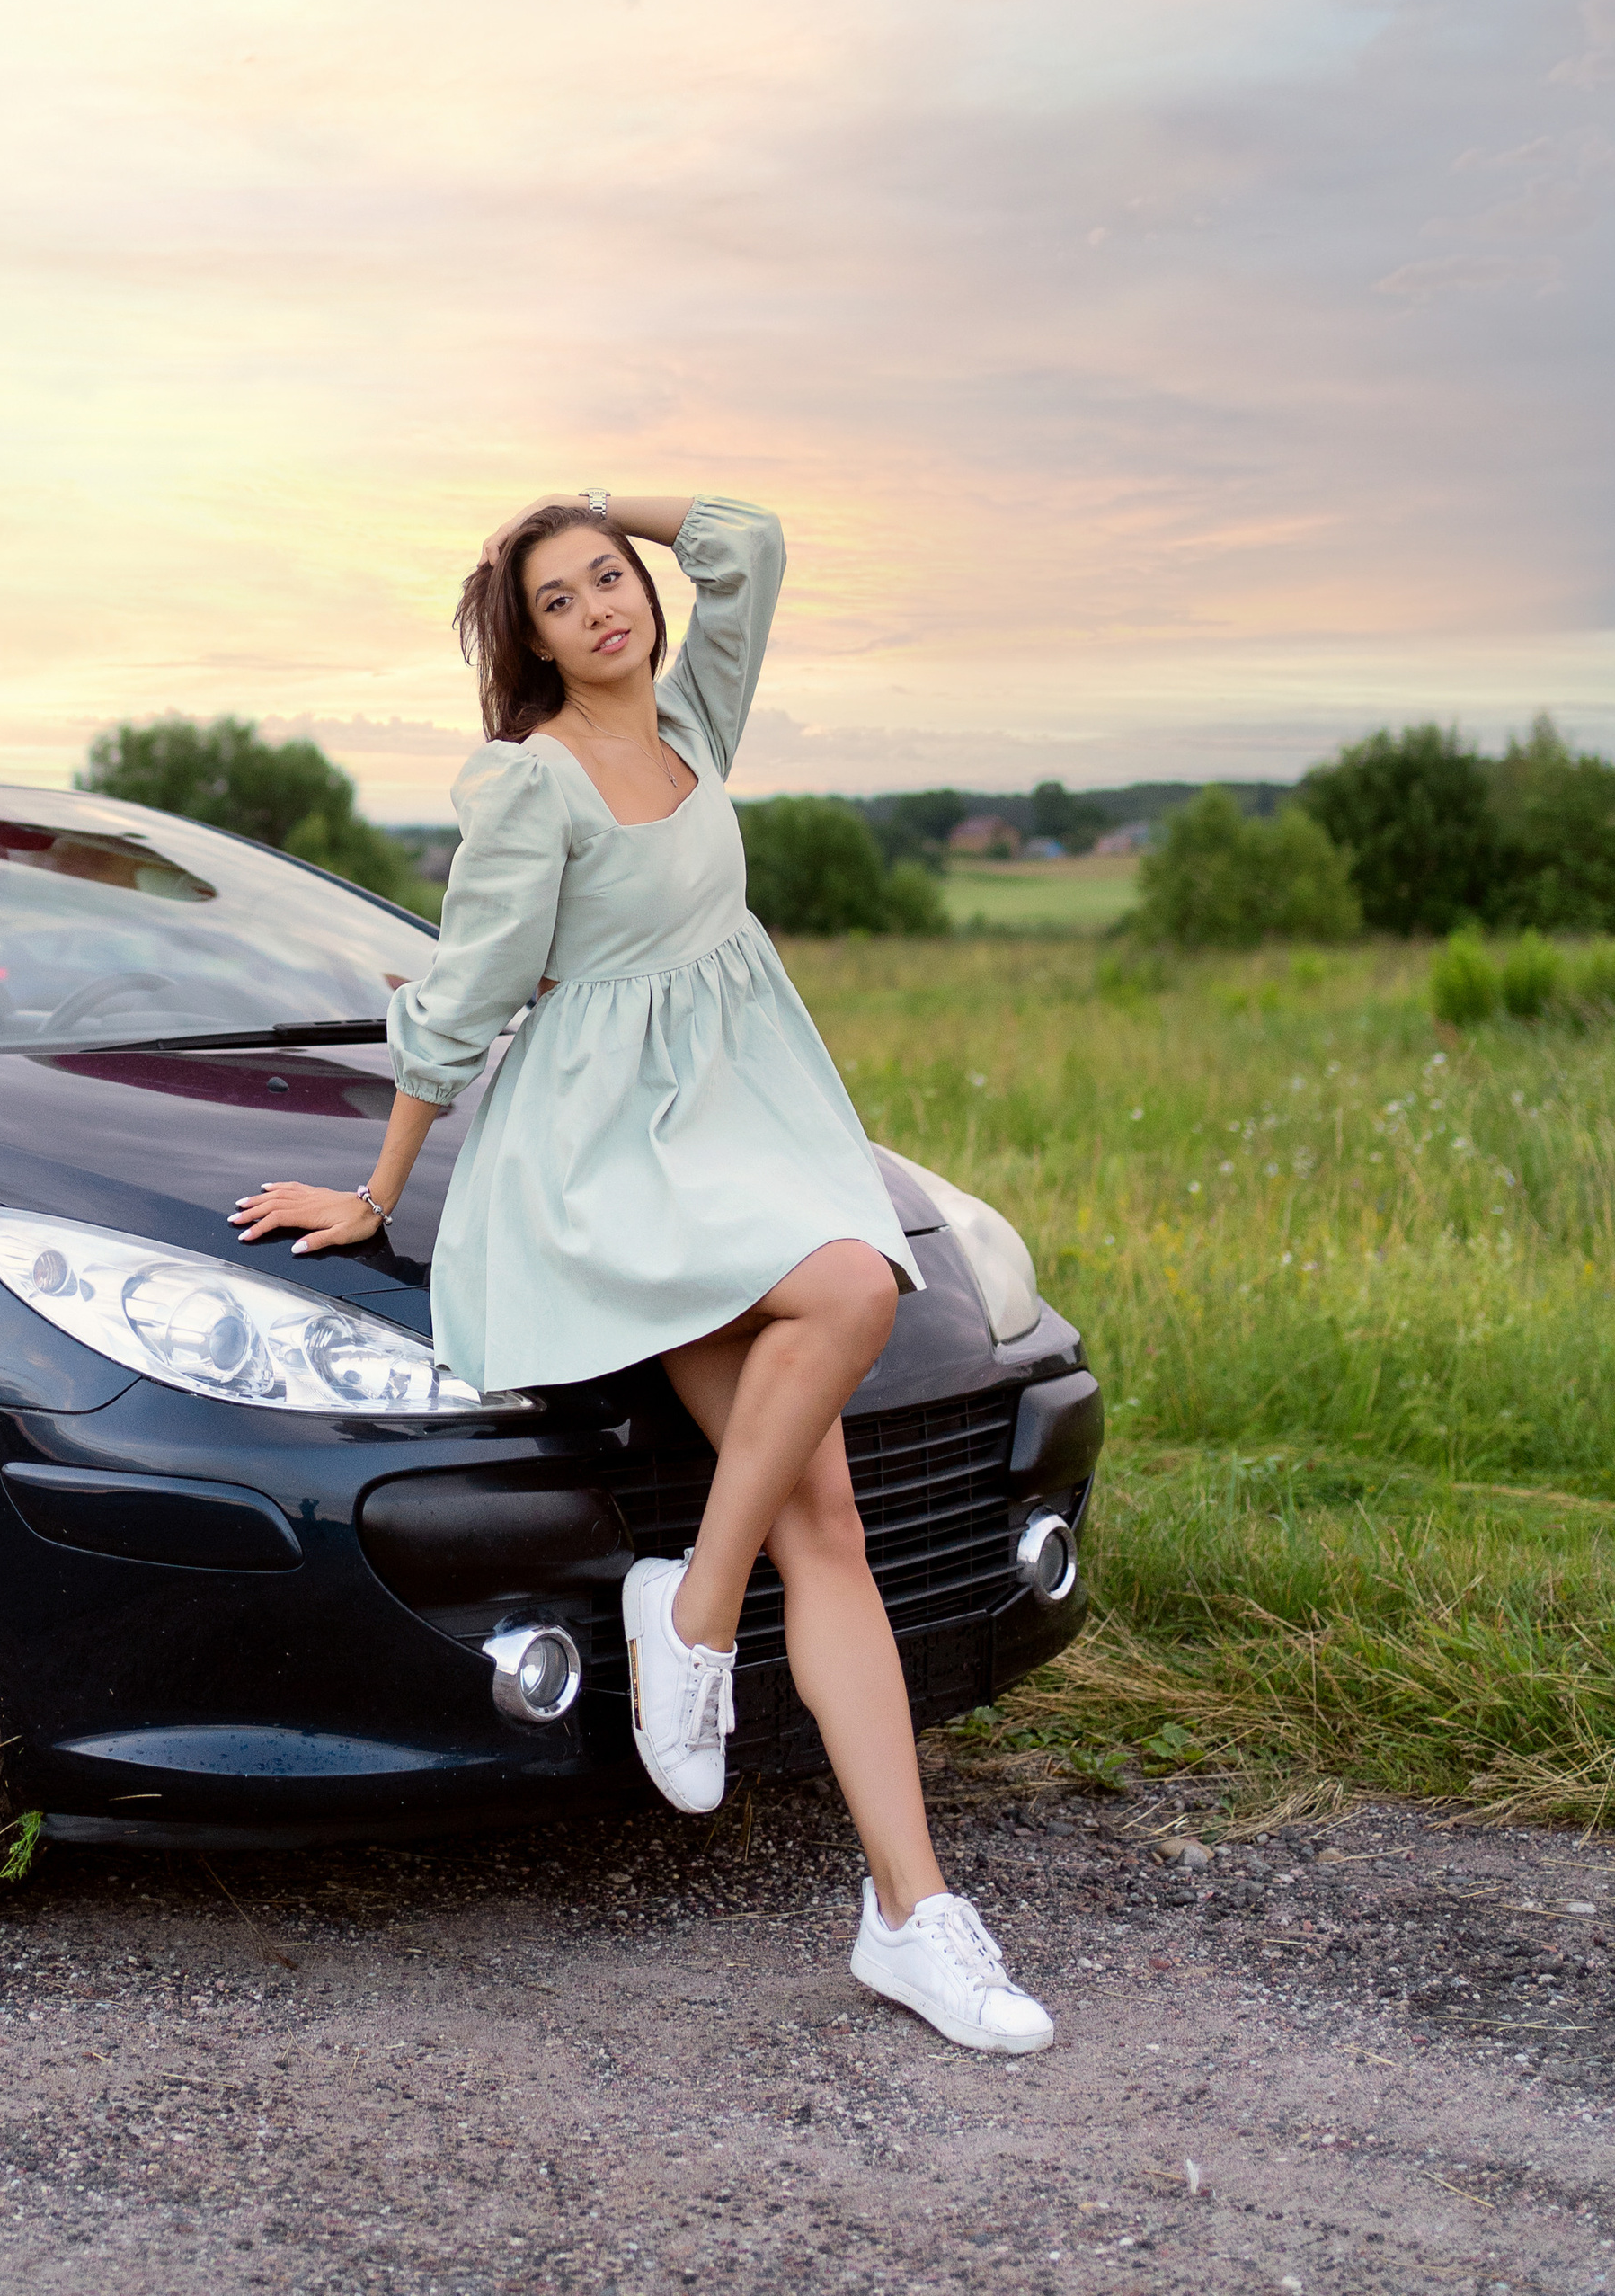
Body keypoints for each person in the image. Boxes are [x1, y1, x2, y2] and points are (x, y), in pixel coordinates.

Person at [231, 492, 1052, 2055]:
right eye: (560, 597)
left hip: (751, 1127)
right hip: (617, 1160)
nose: (604, 604)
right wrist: (378, 1185)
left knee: (834, 1513)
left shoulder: (693, 716)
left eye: (611, 577)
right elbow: (466, 993)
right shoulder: (532, 786)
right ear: (525, 640)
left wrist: (613, 496)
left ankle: (898, 1901)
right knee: (853, 1309)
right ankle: (706, 1639)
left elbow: (752, 542)